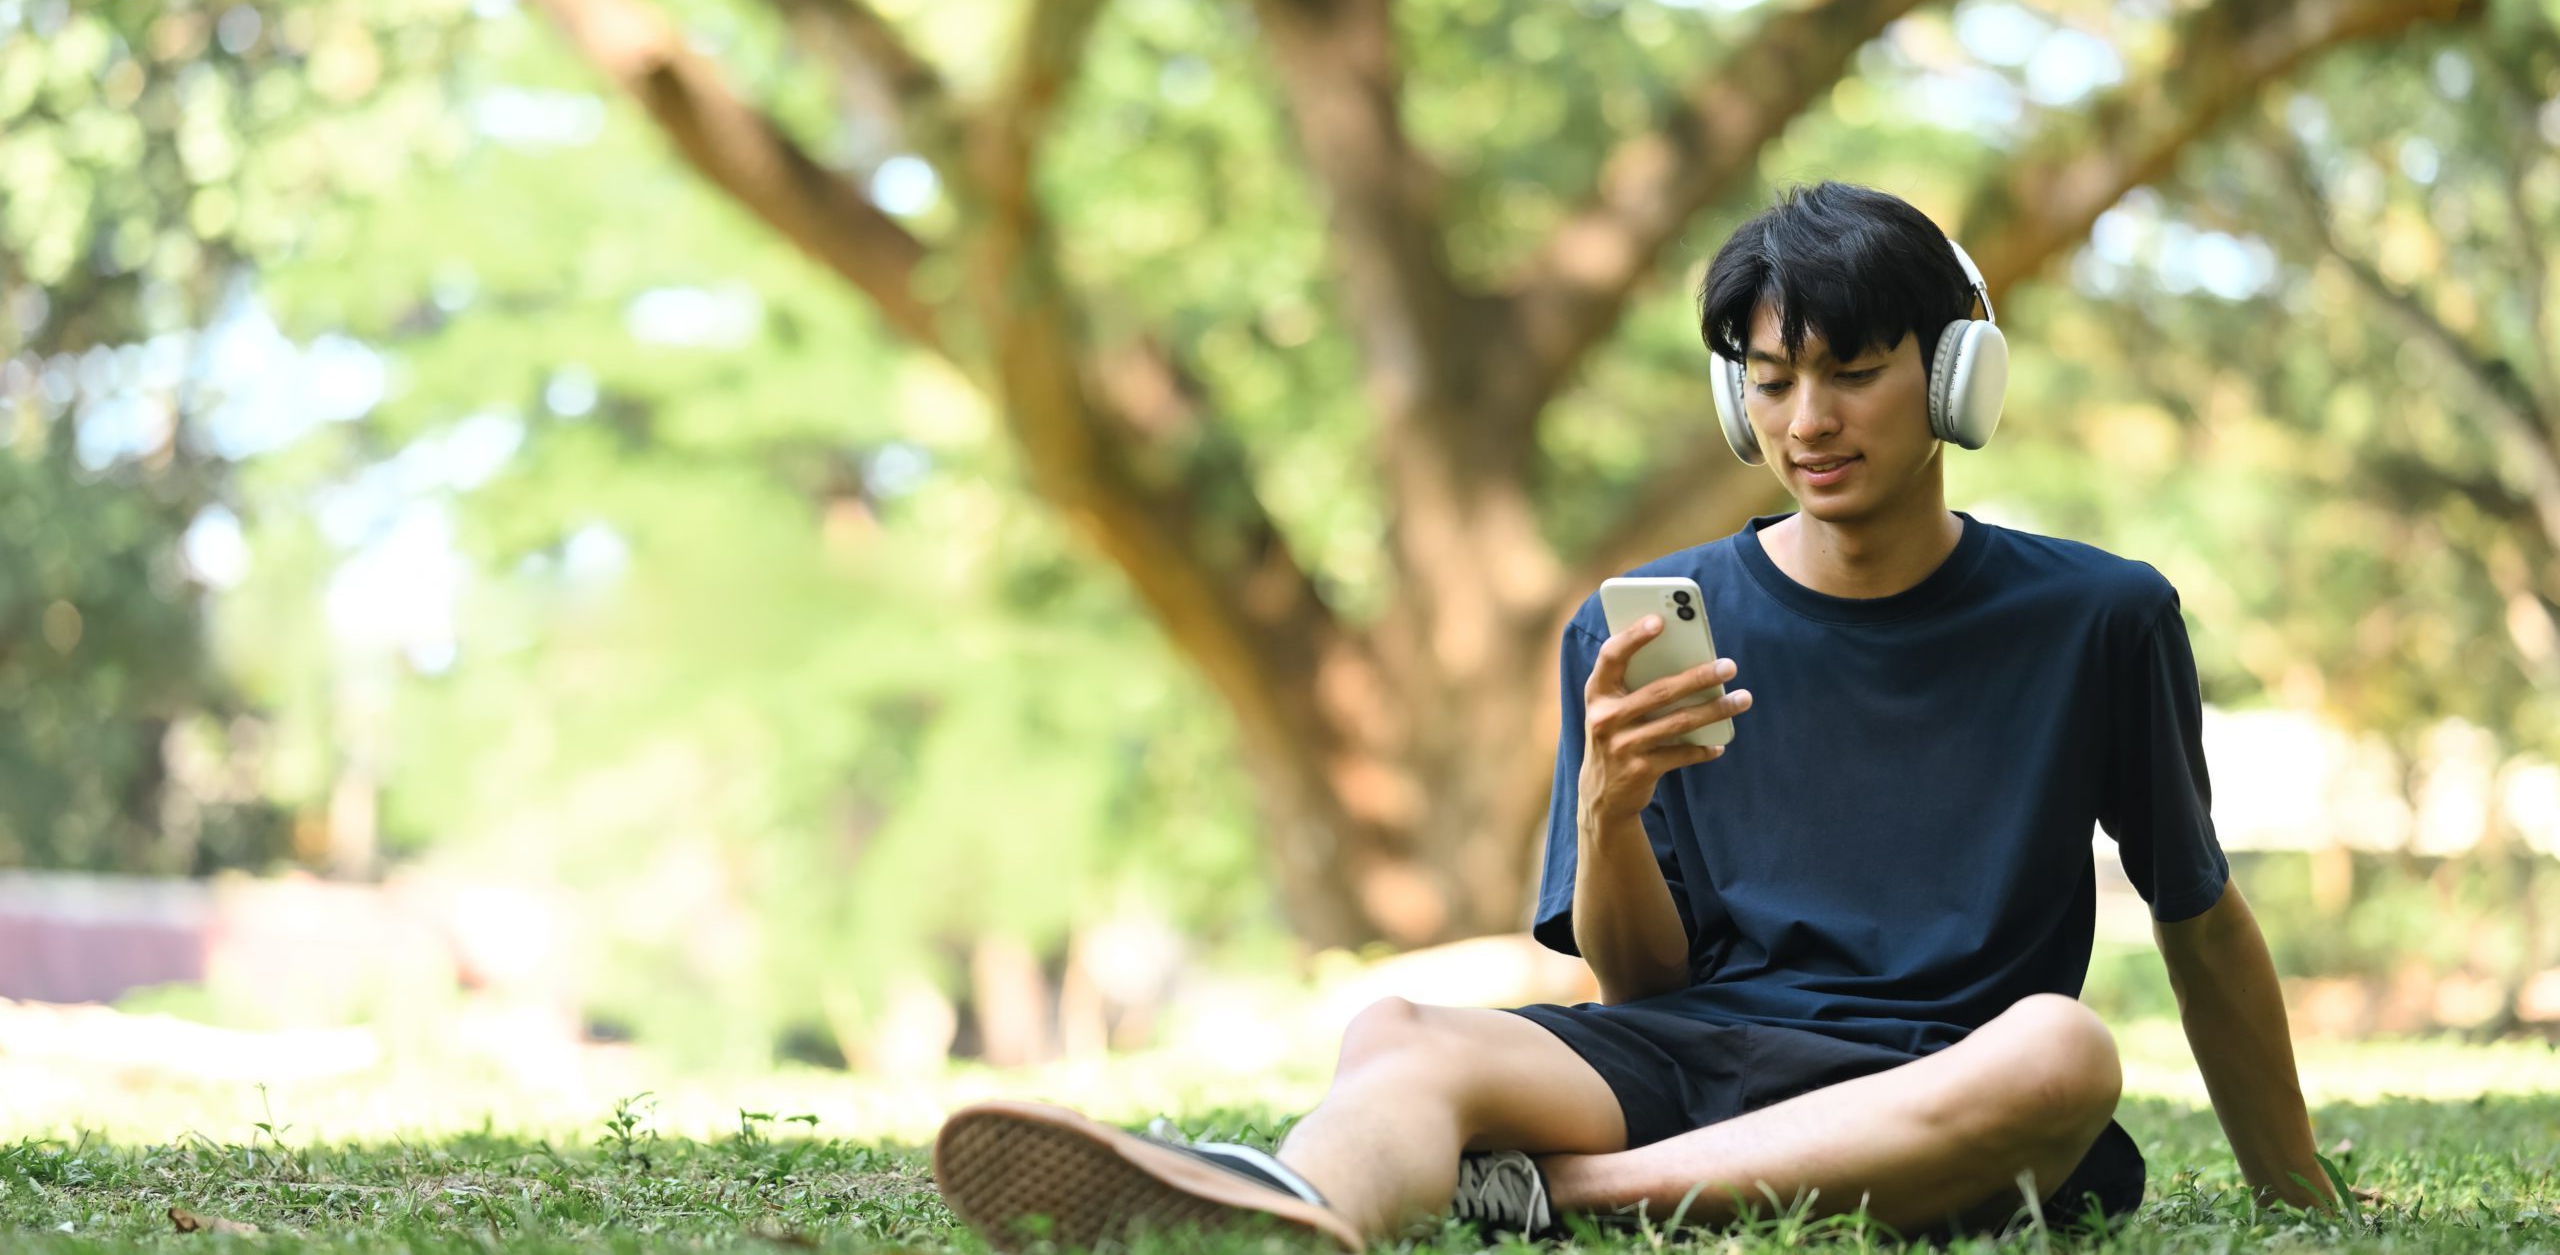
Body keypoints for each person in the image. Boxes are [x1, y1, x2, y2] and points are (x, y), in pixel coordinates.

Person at [929, 182, 2332, 1249]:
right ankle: (1296, 1213)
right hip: (1699, 1053)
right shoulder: (1636, 628)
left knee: (2067, 1052)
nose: (1809, 422)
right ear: (1738, 398)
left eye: (1853, 372)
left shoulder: (2097, 618)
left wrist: (2302, 1197)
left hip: (1933, 1089)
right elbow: (1646, 992)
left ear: (1956, 376)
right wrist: (1610, 812)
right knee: (1401, 1034)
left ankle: (1565, 1197)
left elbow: (2199, 917)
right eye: (1773, 383)